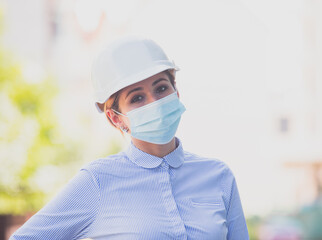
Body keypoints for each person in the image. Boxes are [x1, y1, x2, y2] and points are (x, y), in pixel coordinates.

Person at [10, 36, 249, 240]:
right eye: (137, 98)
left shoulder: (219, 176)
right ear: (116, 118)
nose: (154, 102)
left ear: (176, 91)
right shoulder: (98, 182)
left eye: (161, 88)